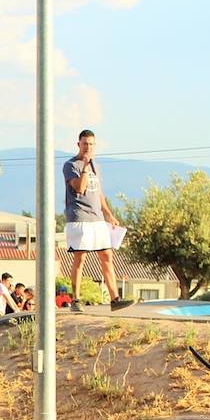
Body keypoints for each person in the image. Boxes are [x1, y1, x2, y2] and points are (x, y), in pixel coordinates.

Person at [63, 129, 134, 312]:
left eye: (91, 144)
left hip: (97, 218)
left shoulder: (97, 166)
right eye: (85, 143)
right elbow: (80, 188)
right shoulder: (71, 165)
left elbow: (97, 192)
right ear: (79, 144)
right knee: (80, 257)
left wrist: (109, 214)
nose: (88, 147)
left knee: (107, 256)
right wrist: (85, 167)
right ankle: (76, 299)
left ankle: (115, 298)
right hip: (80, 217)